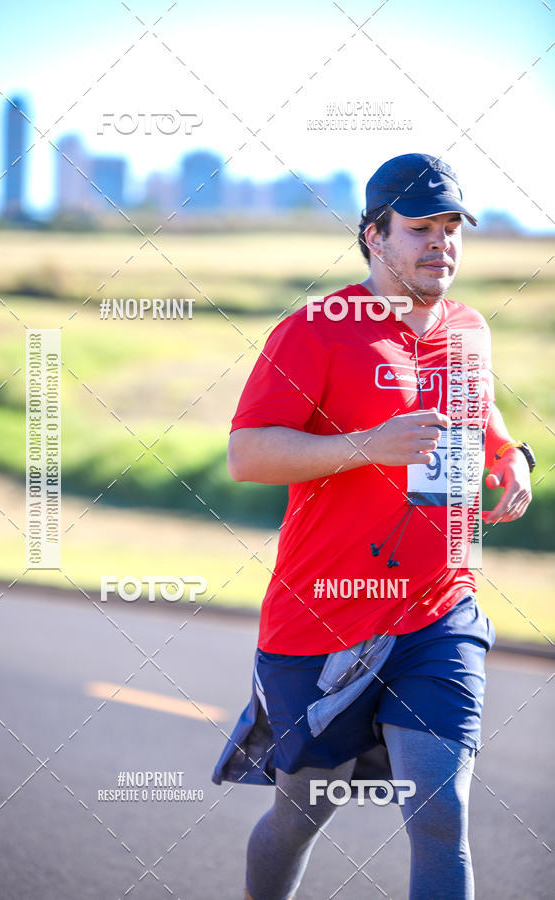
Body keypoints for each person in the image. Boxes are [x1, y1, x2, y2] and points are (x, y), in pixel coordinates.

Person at [212, 153, 535, 900]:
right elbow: (247, 453)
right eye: (421, 228)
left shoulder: (470, 329)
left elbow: (478, 408)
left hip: (439, 611)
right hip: (324, 616)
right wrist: (366, 447)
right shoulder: (316, 329)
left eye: (452, 228)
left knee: (440, 812)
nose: (441, 243)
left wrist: (512, 456)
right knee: (301, 813)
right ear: (374, 236)